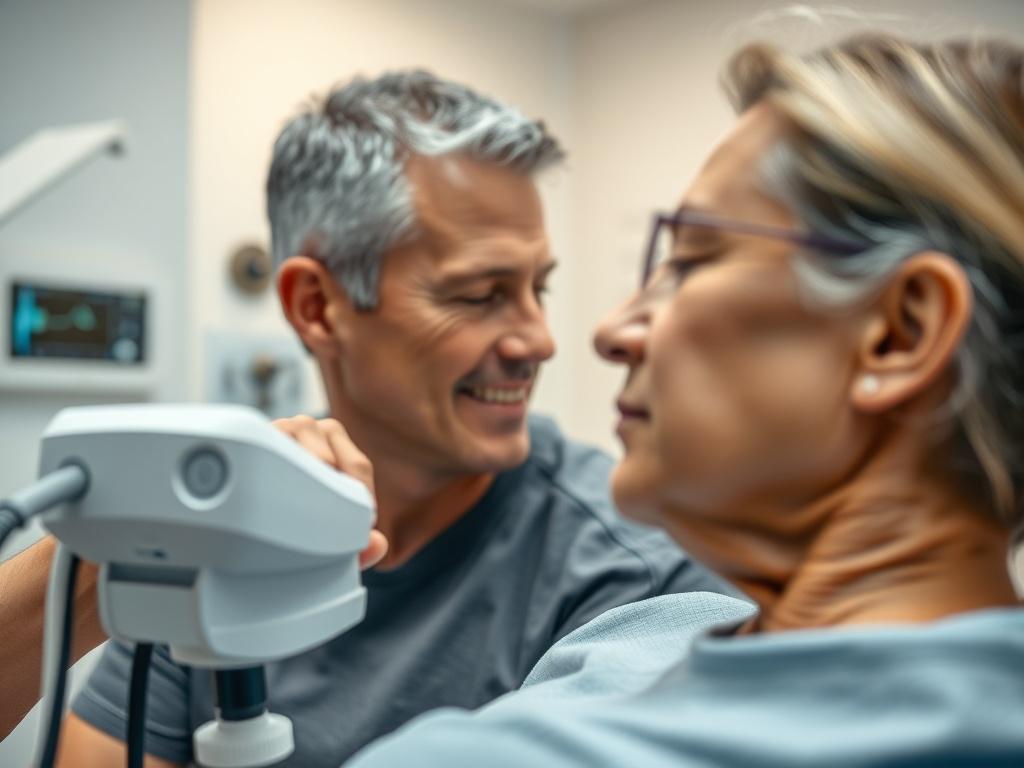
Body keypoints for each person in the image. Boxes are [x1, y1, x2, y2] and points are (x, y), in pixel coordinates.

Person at [335, 32, 1024, 767]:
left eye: (692, 260)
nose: (611, 331)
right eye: (478, 294)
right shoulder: (667, 621)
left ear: (900, 333)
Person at [37, 71, 728, 766]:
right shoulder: (219, 536)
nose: (540, 341)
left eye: (536, 288)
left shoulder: (636, 578)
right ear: (316, 307)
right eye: (481, 294)